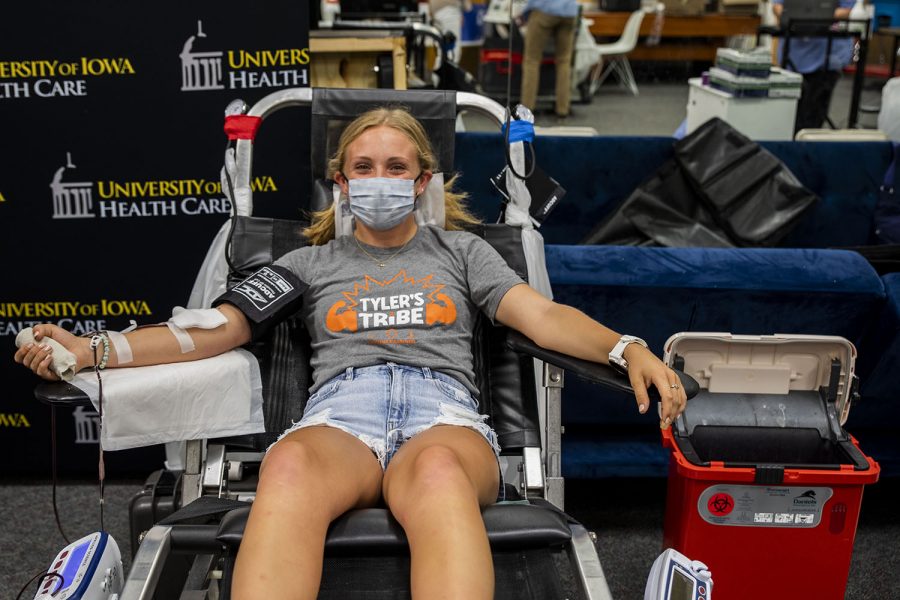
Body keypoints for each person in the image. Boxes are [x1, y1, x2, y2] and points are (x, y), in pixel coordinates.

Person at [14, 106, 687, 599]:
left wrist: (624, 346)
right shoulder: (306, 263)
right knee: (287, 472)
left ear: (423, 179)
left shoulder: (465, 251)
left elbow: (541, 317)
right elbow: (209, 330)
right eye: (363, 167)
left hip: (442, 416)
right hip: (342, 415)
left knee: (439, 478)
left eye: (397, 167)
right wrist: (93, 348)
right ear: (340, 180)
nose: (379, 179)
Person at [772, 0, 855, 132]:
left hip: (826, 55)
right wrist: (792, 16)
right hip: (793, 52)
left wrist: (812, 17)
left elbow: (845, 11)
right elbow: (777, 6)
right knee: (788, 114)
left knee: (813, 115)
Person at [519, 0, 580, 120]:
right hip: (569, 12)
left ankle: (526, 110)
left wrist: (524, 12)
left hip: (544, 10)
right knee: (564, 62)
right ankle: (563, 109)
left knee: (532, 60)